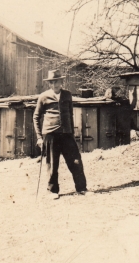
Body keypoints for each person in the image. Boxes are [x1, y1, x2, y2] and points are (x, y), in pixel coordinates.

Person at [33, 69, 88, 199]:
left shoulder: (68, 95)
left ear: (61, 81)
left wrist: (72, 132)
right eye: (52, 82)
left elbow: (70, 114)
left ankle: (82, 189)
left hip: (67, 135)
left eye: (57, 81)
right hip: (51, 135)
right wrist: (39, 137)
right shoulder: (43, 97)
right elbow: (36, 117)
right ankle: (52, 191)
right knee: (53, 164)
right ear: (49, 84)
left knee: (76, 161)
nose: (55, 85)